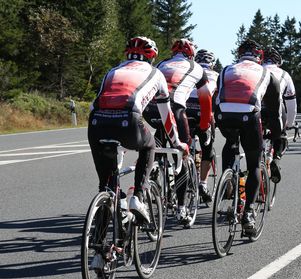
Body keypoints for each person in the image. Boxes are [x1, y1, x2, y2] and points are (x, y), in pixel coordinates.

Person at [88, 36, 188, 224]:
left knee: (107, 186)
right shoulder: (156, 73)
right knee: (149, 146)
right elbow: (167, 116)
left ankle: (101, 249)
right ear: (152, 57)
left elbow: (96, 104)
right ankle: (138, 197)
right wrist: (177, 143)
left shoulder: (113, 70)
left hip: (96, 123)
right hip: (128, 119)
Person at [215, 39, 281, 232]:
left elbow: (215, 97)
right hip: (249, 114)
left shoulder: (226, 69)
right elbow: (276, 113)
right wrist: (278, 136)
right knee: (254, 164)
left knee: (231, 140)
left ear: (239, 55)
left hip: (222, 113)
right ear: (259, 57)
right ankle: (249, 213)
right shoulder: (266, 73)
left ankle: (227, 180)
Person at [143, 38, 212, 224]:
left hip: (149, 110)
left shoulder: (162, 63)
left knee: (160, 133)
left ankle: (154, 169)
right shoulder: (196, 67)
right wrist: (204, 127)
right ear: (191, 54)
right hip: (174, 108)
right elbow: (206, 101)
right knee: (182, 154)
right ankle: (181, 208)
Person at [186, 49, 219, 202]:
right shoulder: (216, 75)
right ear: (211, 64)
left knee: (183, 144)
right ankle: (203, 183)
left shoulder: (189, 70)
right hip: (202, 111)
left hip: (184, 110)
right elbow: (217, 101)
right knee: (208, 150)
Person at [262, 46, 297, 182]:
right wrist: (290, 122)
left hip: (256, 107)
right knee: (280, 136)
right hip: (276, 108)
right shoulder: (284, 74)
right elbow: (291, 102)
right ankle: (275, 158)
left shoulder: (257, 70)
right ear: (278, 61)